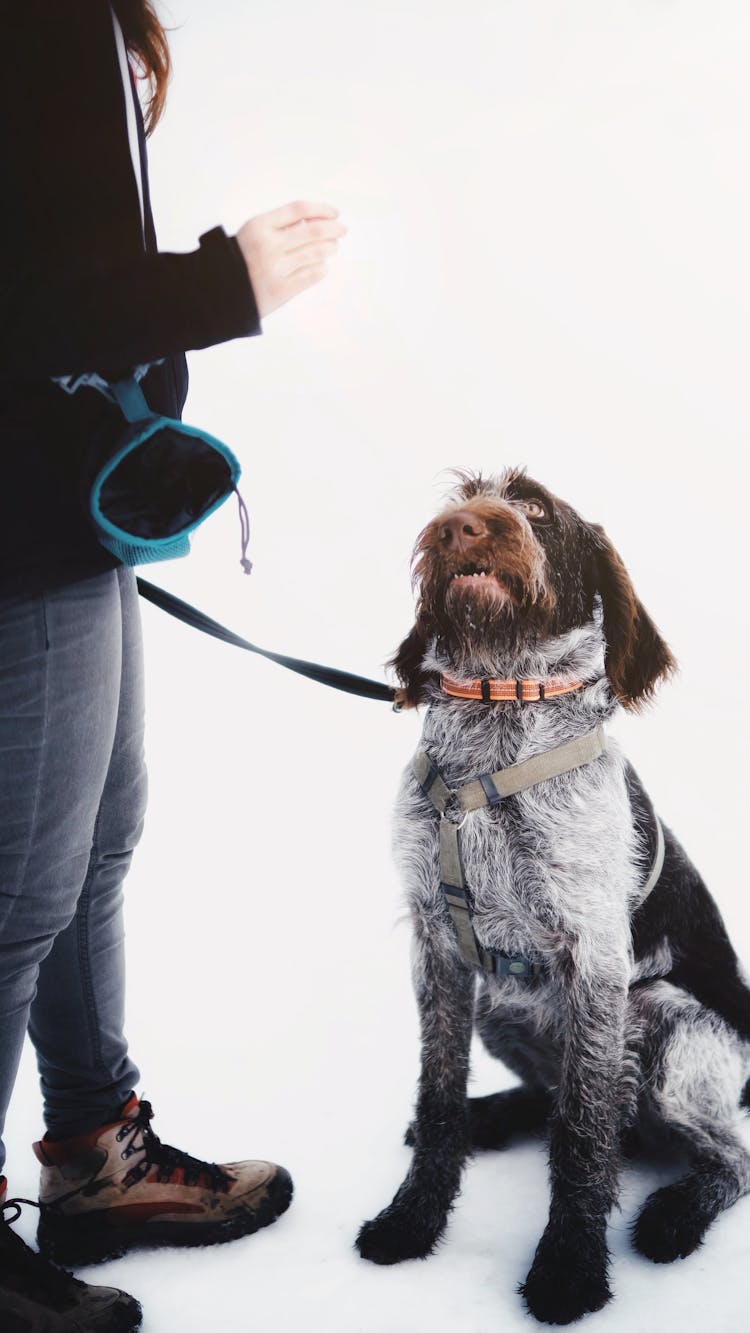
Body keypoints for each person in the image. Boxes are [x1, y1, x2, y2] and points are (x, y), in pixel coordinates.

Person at [0, 3, 346, 1328]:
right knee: (18, 888)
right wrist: (224, 286)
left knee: (94, 833)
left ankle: (95, 1156)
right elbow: (28, 304)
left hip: (66, 495)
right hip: (17, 520)